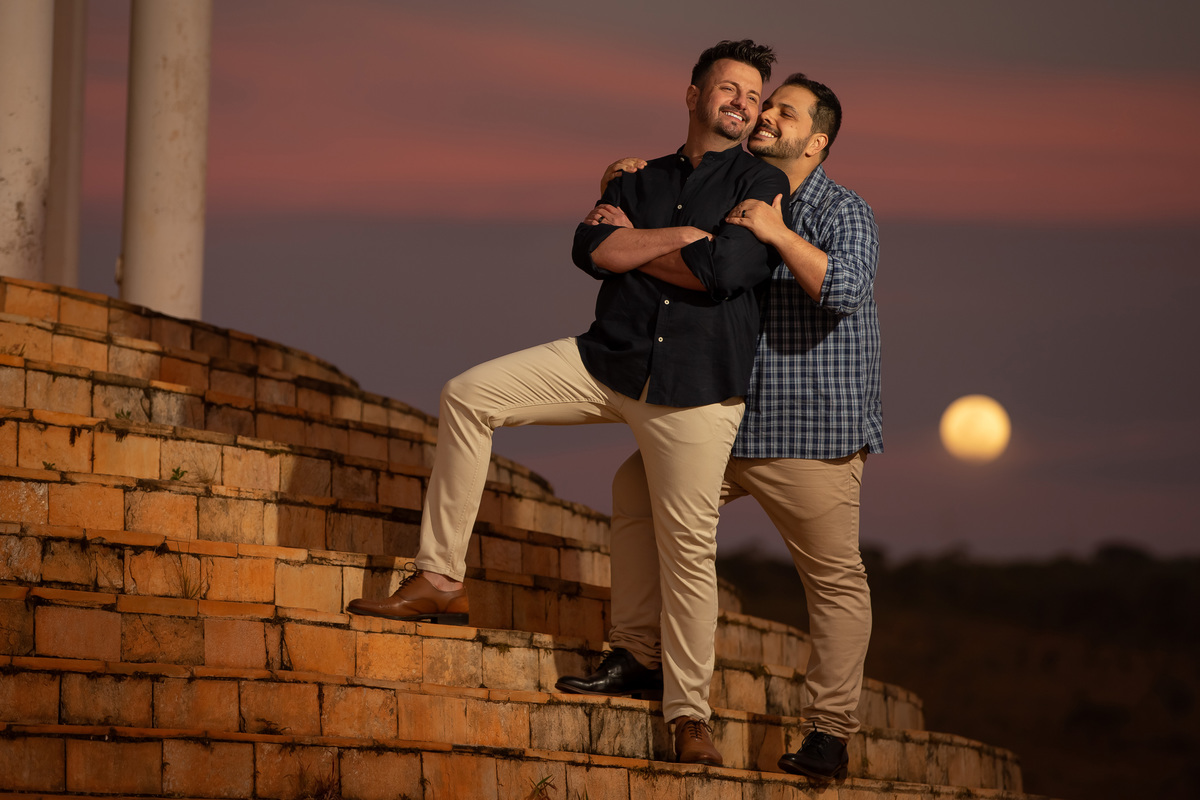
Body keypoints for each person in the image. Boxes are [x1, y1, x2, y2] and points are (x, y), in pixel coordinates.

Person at [346, 40, 790, 767]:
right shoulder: (639, 176)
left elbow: (726, 270)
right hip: (606, 360)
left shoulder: (763, 183)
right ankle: (438, 578)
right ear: (692, 96)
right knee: (469, 395)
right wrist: (681, 237)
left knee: (685, 550)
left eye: (752, 94)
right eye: (728, 89)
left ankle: (688, 715)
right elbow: (591, 251)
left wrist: (640, 248)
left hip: (696, 392)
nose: (742, 102)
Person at [555, 73, 882, 781]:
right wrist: (622, 184)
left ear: (818, 141)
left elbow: (847, 288)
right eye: (765, 106)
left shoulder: (839, 209)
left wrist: (776, 232)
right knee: (634, 490)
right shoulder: (738, 189)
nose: (764, 117)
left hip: (812, 434)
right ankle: (638, 656)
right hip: (721, 417)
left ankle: (828, 735)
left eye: (783, 113)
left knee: (833, 583)